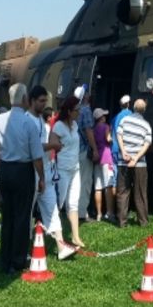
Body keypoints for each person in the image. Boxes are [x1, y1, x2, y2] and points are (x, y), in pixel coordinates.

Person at [0, 83, 45, 275]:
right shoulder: (28, 123)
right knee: (22, 216)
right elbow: (37, 156)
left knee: (7, 215)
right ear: (25, 100)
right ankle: (17, 260)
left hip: (5, 169)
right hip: (23, 170)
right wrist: (42, 178)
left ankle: (4, 258)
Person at [26, 85, 76, 260]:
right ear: (31, 101)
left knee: (52, 208)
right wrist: (53, 146)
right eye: (41, 101)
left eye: (45, 101)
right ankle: (25, 249)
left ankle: (61, 246)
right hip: (31, 172)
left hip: (45, 171)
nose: (44, 104)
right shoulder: (28, 121)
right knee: (27, 211)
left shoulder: (40, 120)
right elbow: (32, 148)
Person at [52, 96, 85, 247]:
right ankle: (53, 235)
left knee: (73, 203)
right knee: (58, 203)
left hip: (75, 168)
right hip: (63, 170)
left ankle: (76, 237)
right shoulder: (58, 126)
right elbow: (51, 144)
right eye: (77, 110)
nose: (79, 112)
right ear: (69, 111)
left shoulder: (75, 125)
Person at [116, 98, 152, 228]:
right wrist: (136, 158)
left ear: (134, 108)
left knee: (122, 192)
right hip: (140, 164)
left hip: (123, 161)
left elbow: (118, 134)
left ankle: (121, 221)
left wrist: (123, 151)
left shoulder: (124, 120)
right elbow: (147, 144)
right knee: (140, 192)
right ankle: (143, 221)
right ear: (144, 110)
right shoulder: (146, 125)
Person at [75, 85, 99, 221]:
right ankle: (82, 213)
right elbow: (88, 131)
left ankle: (72, 209)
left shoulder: (74, 110)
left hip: (74, 151)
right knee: (85, 181)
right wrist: (95, 149)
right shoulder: (86, 110)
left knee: (75, 182)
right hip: (84, 151)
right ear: (85, 96)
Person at [92, 107, 115, 222]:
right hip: (106, 157)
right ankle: (110, 213)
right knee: (108, 186)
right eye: (104, 115)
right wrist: (112, 137)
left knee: (98, 188)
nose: (105, 117)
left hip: (97, 159)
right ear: (101, 118)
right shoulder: (105, 127)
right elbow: (108, 139)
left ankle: (99, 214)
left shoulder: (94, 129)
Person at [110, 94, 132, 194]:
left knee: (114, 178)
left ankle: (113, 204)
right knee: (124, 178)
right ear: (128, 104)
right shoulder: (130, 114)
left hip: (114, 149)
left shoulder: (115, 117)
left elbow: (111, 132)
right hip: (125, 150)